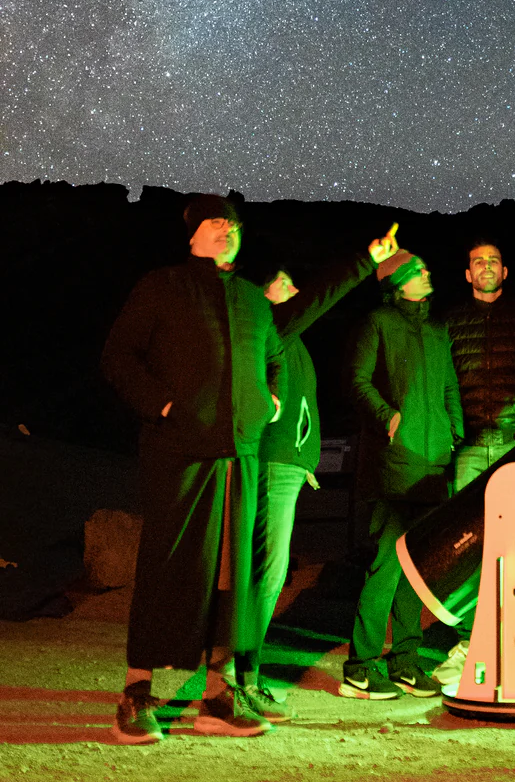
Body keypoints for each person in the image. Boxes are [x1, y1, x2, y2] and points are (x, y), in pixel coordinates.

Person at [101, 196, 282, 744]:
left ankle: (217, 696)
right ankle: (136, 692)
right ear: (192, 236)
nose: (225, 230)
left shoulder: (254, 300)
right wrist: (164, 407)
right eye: (213, 222)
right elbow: (117, 356)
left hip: (238, 454)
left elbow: (272, 357)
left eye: (232, 223)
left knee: (232, 577)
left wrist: (268, 401)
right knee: (169, 565)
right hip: (177, 452)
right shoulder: (163, 286)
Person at [235, 226, 400, 721]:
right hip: (273, 465)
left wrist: (305, 462)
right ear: (266, 294)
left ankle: (245, 674)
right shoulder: (272, 326)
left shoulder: (289, 341)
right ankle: (244, 678)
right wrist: (365, 260)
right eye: (286, 286)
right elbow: (320, 298)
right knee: (266, 574)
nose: (295, 294)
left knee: (269, 571)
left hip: (286, 465)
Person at [433, 239, 515, 687]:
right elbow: (440, 382)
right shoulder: (449, 321)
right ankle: (469, 642)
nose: (486, 267)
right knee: (468, 550)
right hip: (467, 450)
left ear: (506, 272)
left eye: (493, 261)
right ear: (467, 274)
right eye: (477, 262)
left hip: (512, 447)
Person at [342, 250, 463, 701]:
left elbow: (449, 385)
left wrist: (455, 432)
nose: (427, 272)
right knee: (388, 565)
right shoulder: (379, 321)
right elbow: (356, 378)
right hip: (394, 463)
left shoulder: (436, 329)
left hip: (434, 462)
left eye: (425, 266)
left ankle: (406, 663)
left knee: (417, 568)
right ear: (396, 283)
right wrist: (386, 416)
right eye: (418, 270)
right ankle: (359, 665)